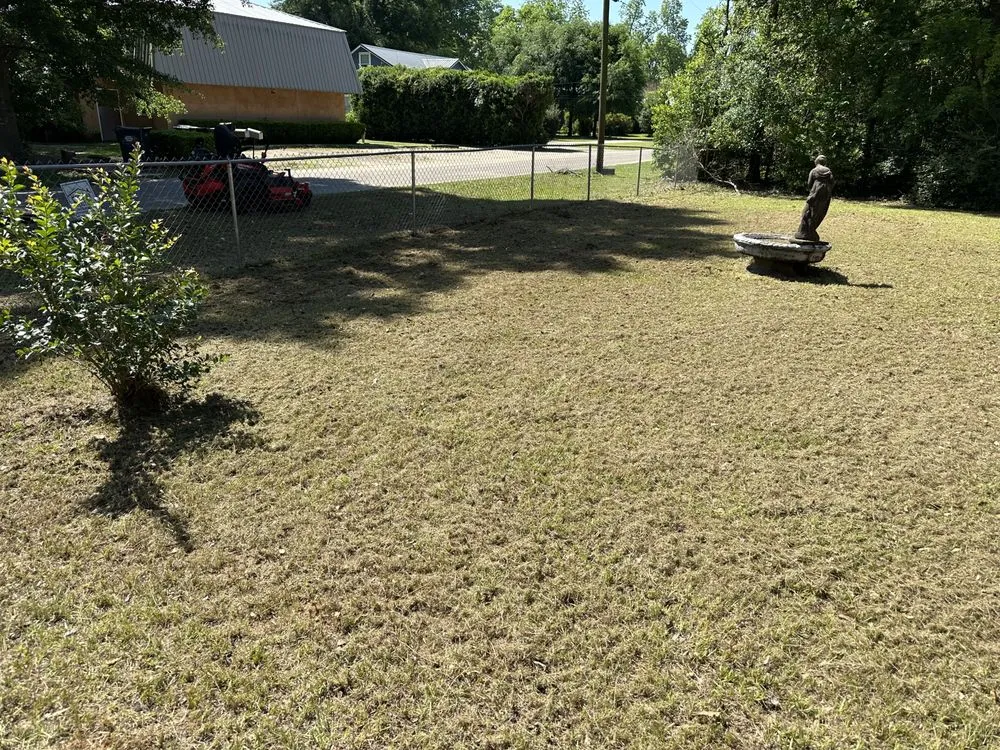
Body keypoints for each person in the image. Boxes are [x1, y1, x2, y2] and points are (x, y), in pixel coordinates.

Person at [794, 155, 834, 242]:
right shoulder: (829, 172)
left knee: (807, 211)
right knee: (819, 212)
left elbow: (809, 183)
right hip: (825, 195)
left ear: (816, 162)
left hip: (814, 194)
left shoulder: (814, 171)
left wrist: (814, 190)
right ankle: (811, 230)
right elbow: (832, 182)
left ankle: (805, 231)